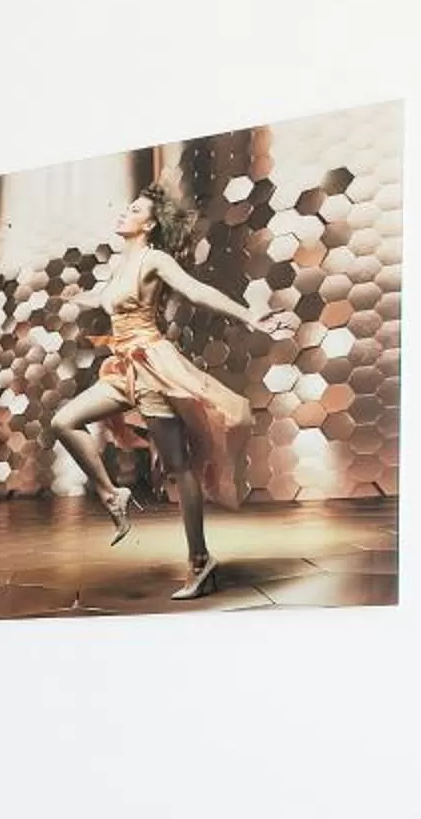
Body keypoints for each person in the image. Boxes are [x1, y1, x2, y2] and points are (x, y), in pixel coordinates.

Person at [48, 187, 298, 599]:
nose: (125, 212)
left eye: (135, 210)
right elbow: (108, 299)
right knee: (64, 421)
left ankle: (200, 561)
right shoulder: (119, 264)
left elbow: (196, 291)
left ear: (148, 225)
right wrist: (76, 297)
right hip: (122, 367)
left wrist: (250, 316)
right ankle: (113, 495)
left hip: (153, 368)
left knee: (179, 467)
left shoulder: (154, 259)